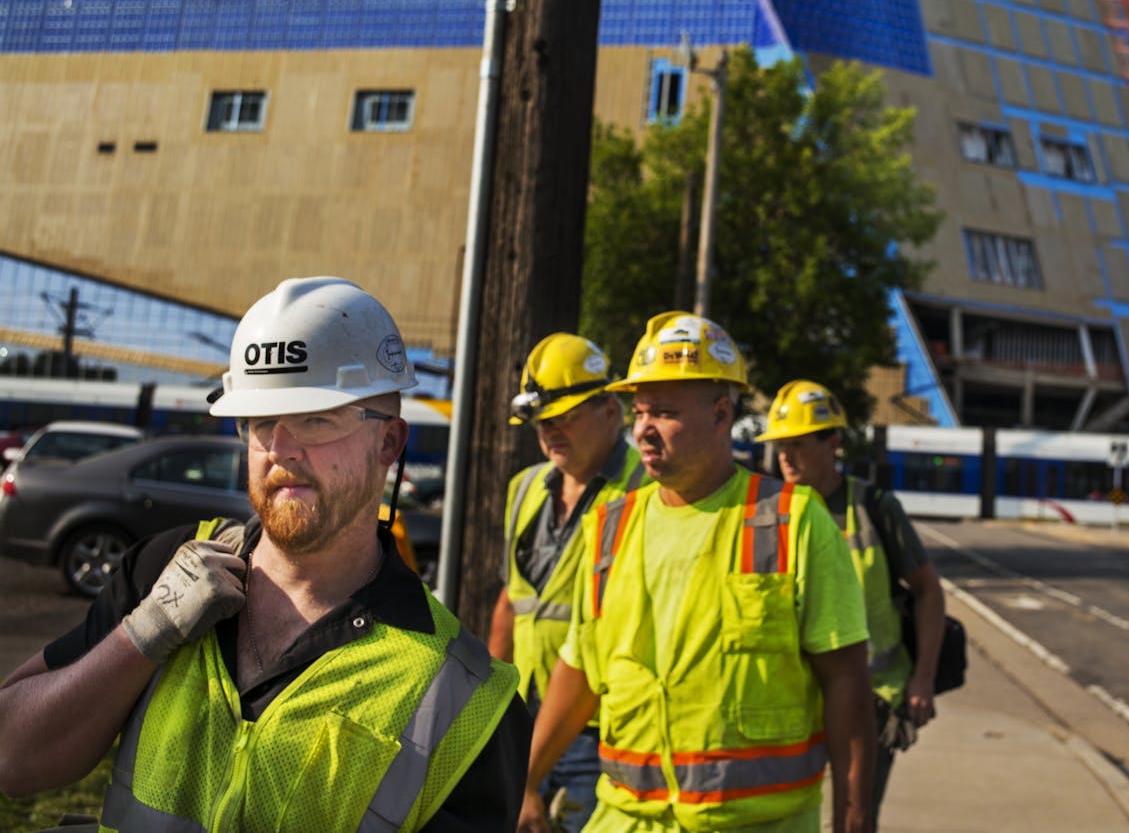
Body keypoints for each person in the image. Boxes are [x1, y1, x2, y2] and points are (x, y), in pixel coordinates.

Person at [0, 277, 530, 833]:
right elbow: (13, 757)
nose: (280, 449)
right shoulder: (164, 570)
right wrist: (144, 635)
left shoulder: (461, 698)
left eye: (316, 419)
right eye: (259, 423)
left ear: (389, 445)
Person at [517, 312, 875, 833]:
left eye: (664, 411)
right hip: (625, 820)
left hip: (754, 824)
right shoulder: (611, 527)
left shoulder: (792, 521)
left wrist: (853, 817)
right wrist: (526, 781)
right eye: (639, 411)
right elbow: (580, 669)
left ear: (721, 414)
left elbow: (846, 680)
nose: (643, 428)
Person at [755, 380, 946, 829]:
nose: (785, 456)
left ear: (833, 443)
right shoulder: (770, 512)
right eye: (780, 445)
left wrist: (922, 679)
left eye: (798, 445)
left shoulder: (873, 508)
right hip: (790, 705)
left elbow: (928, 591)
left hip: (870, 700)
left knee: (853, 822)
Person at [489, 333, 646, 832]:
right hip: (524, 720)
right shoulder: (526, 488)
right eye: (541, 420)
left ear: (611, 411)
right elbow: (511, 604)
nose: (550, 430)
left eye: (566, 416)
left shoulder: (649, 492)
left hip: (602, 729)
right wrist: (493, 713)